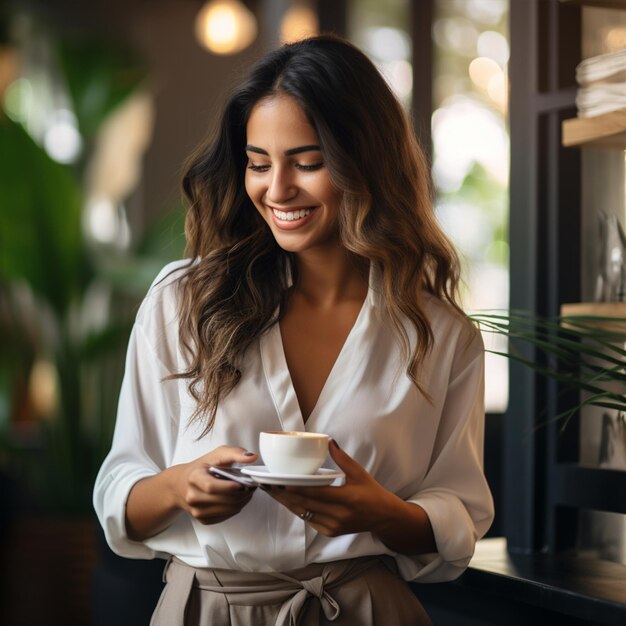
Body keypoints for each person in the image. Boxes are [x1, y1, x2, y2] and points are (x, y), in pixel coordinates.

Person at [93, 34, 494, 626]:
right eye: (258, 163)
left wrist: (380, 513)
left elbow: (457, 509)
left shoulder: (439, 333)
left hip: (363, 608)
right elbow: (120, 489)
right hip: (209, 610)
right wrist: (182, 488)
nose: (276, 190)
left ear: (367, 164)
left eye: (307, 163)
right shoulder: (183, 302)